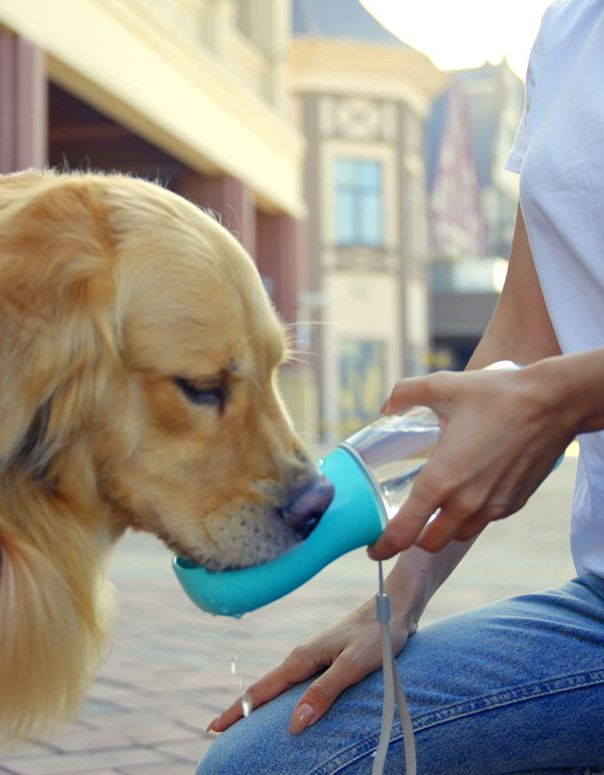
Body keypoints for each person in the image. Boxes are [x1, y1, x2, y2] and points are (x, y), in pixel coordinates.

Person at [196, 2, 604, 773]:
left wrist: (565, 398)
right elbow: (520, 346)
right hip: (600, 605)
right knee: (260, 764)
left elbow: (539, 384)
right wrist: (399, 600)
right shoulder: (569, 31)